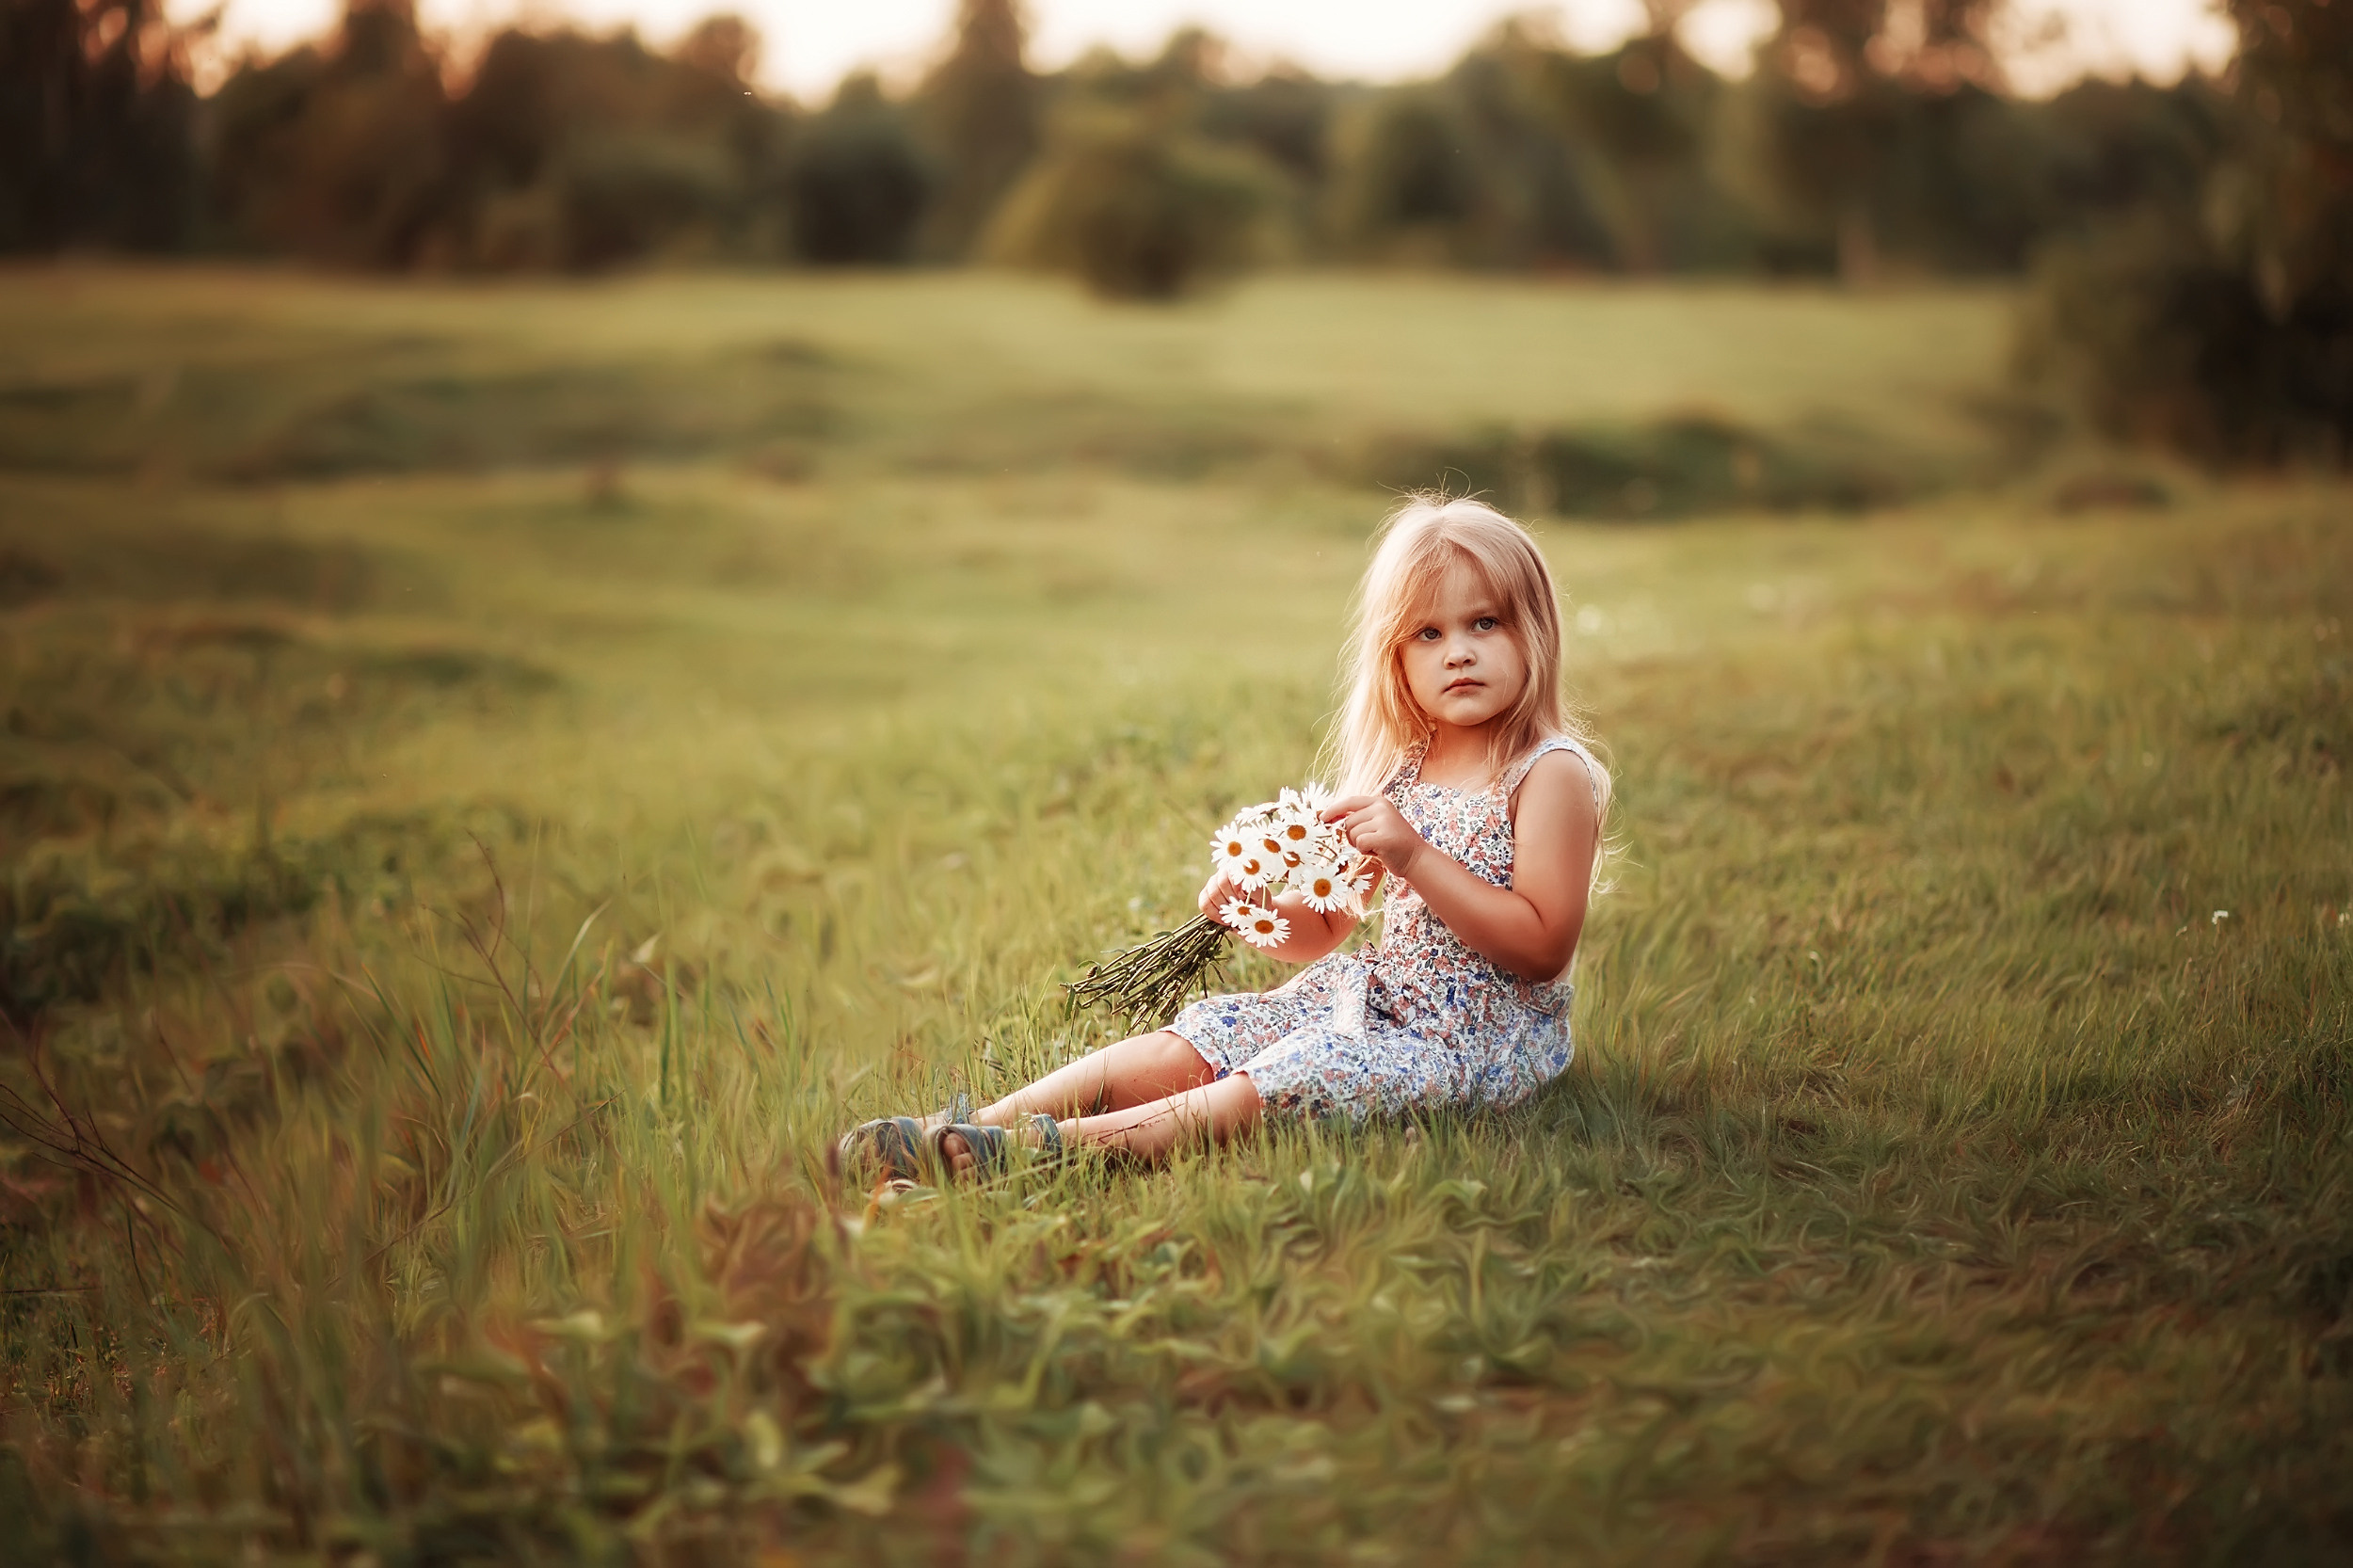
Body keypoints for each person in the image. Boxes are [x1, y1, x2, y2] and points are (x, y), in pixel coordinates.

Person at [835, 494, 1611, 1184]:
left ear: (1533, 630)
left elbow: (1541, 946)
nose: (1460, 651)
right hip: (1374, 1000)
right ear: (1397, 661)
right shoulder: (1404, 772)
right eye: (1429, 634)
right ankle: (968, 1124)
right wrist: (1255, 912)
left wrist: (1415, 857)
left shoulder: (1548, 776)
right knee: (1216, 1031)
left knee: (1309, 1065)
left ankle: (1056, 1148)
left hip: (1478, 1046)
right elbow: (1328, 930)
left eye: (1485, 623)